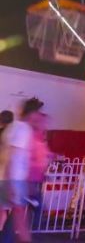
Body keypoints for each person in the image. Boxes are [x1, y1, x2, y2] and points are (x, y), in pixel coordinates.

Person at [0, 97, 44, 243]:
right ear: (31, 113)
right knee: (19, 218)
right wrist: (11, 183)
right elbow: (12, 156)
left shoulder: (13, 127)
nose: (39, 116)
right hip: (14, 179)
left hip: (8, 178)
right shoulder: (23, 129)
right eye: (38, 113)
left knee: (14, 218)